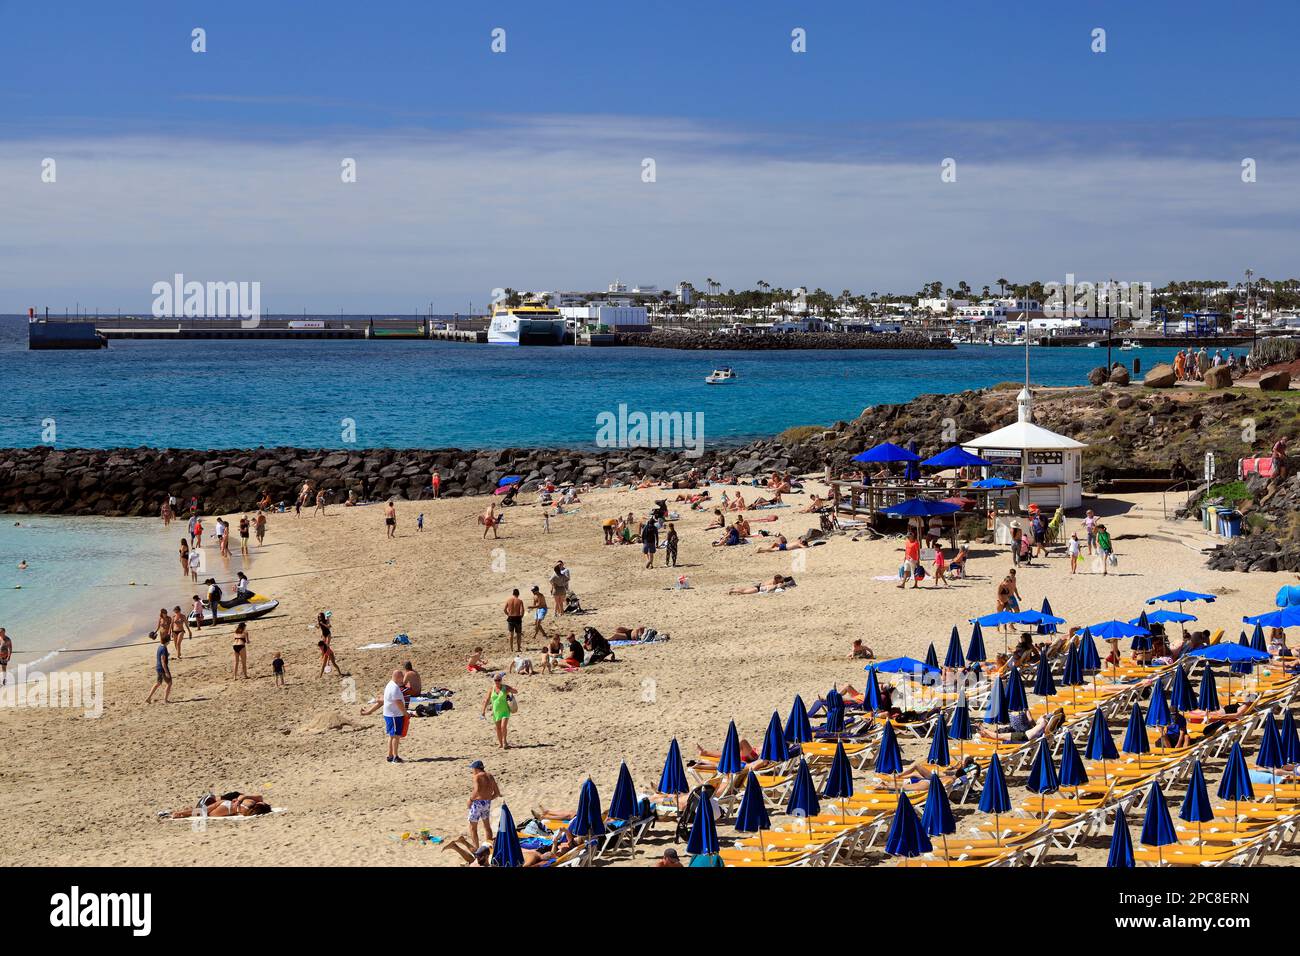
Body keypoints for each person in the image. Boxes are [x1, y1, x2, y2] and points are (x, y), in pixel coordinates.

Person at [361, 669, 410, 762]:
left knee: (392, 736)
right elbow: (398, 702)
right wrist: (405, 713)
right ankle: (395, 757)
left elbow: (384, 701)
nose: (403, 679)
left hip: (390, 714)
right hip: (394, 715)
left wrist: (368, 712)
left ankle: (390, 755)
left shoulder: (390, 685)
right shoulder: (394, 688)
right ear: (398, 677)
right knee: (396, 736)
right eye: (401, 677)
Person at [159, 792, 272, 819]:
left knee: (201, 811)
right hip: (228, 809)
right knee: (202, 812)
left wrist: (239, 800)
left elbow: (259, 796)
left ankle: (177, 813)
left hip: (227, 805)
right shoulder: (249, 811)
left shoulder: (251, 802)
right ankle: (178, 813)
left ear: (261, 804)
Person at [466, 760, 502, 844]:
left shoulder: (477, 776)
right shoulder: (490, 776)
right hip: (487, 803)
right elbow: (497, 793)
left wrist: (470, 800)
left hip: (477, 803)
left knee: (472, 827)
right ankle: (489, 847)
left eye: (473, 769)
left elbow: (477, 790)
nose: (472, 771)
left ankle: (477, 850)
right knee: (487, 826)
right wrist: (488, 799)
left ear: (476, 769)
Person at [481, 673, 517, 749]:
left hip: (505, 710)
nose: (497, 682)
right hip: (496, 712)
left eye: (499, 680)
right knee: (498, 728)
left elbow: (515, 691)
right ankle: (500, 743)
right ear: (493, 681)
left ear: (501, 680)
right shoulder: (491, 689)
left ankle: (505, 742)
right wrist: (483, 710)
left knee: (503, 726)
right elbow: (487, 700)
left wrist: (511, 690)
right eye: (495, 680)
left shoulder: (505, 687)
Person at [146, 633, 173, 703]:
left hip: (158, 667)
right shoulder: (164, 648)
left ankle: (148, 698)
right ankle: (165, 700)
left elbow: (161, 656)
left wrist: (167, 655)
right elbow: (163, 662)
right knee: (169, 683)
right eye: (169, 639)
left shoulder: (160, 647)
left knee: (158, 683)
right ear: (168, 641)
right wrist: (167, 672)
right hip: (162, 668)